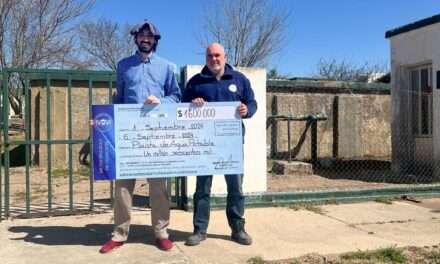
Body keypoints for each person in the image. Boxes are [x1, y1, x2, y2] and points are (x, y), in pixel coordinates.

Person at [99, 20, 181, 253]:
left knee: (158, 188)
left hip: (156, 135)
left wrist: (161, 101)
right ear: (135, 38)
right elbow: (119, 99)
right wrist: (104, 124)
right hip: (129, 135)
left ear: (155, 40)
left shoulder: (167, 67)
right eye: (142, 36)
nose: (146, 39)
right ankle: (119, 233)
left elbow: (175, 97)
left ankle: (161, 232)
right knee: (123, 188)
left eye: (150, 36)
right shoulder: (123, 66)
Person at [182, 43, 257, 246]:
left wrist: (246, 110)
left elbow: (252, 103)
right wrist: (192, 105)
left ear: (225, 57)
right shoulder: (195, 82)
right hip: (204, 145)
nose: (214, 59)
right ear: (205, 58)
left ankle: (238, 229)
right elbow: (181, 108)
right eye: (210, 55)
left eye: (217, 55)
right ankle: (199, 230)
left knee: (236, 188)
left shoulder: (239, 79)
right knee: (202, 189)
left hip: (231, 145)